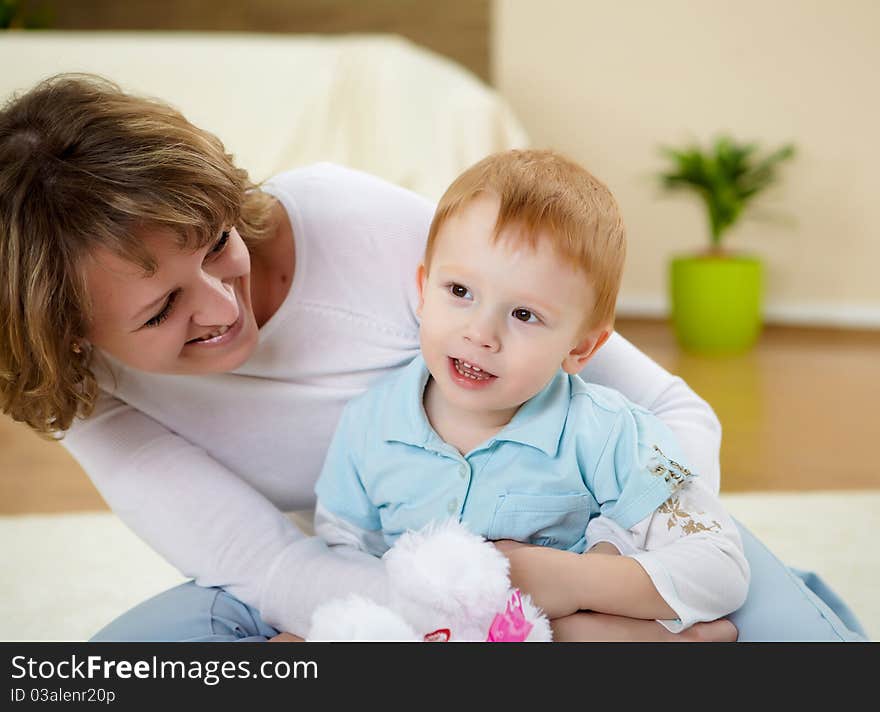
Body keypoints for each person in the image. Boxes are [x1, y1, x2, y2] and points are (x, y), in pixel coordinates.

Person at [0, 73, 866, 642]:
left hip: (591, 539)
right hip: (367, 576)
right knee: (107, 675)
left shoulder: (348, 222)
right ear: (73, 337)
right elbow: (271, 566)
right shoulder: (85, 393)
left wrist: (606, 581)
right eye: (160, 310)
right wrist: (530, 621)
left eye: (218, 242)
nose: (225, 304)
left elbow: (672, 415)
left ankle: (804, 598)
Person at [313, 149, 750, 637]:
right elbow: (338, 556)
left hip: (554, 631)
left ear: (581, 347)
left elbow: (722, 568)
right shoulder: (368, 425)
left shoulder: (611, 434)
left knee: (585, 635)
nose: (480, 333)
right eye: (459, 291)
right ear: (422, 289)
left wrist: (573, 579)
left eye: (524, 315)